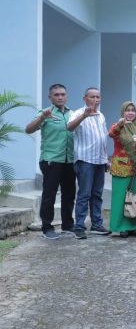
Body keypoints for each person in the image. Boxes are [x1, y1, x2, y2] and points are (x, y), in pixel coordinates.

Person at [25, 84, 75, 240]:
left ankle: (68, 225)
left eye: (62, 94)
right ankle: (47, 227)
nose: (60, 97)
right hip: (51, 160)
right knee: (49, 195)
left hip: (70, 160)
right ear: (50, 97)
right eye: (56, 95)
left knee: (69, 194)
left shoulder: (73, 114)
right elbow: (28, 129)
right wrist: (42, 118)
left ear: (66, 96)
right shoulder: (45, 113)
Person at [67, 87, 109, 239]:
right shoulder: (77, 113)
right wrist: (84, 116)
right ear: (85, 98)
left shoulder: (101, 115)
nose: (96, 100)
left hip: (99, 160)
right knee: (84, 194)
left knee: (97, 194)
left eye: (98, 97)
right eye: (92, 97)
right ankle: (79, 226)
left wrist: (106, 159)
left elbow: (103, 138)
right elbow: (69, 128)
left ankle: (96, 224)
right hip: (85, 160)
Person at [108, 101, 136, 238]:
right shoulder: (117, 127)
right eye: (127, 110)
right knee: (121, 199)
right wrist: (121, 124)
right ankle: (121, 227)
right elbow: (111, 134)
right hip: (121, 169)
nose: (130, 113)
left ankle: (134, 227)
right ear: (123, 112)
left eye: (133, 110)